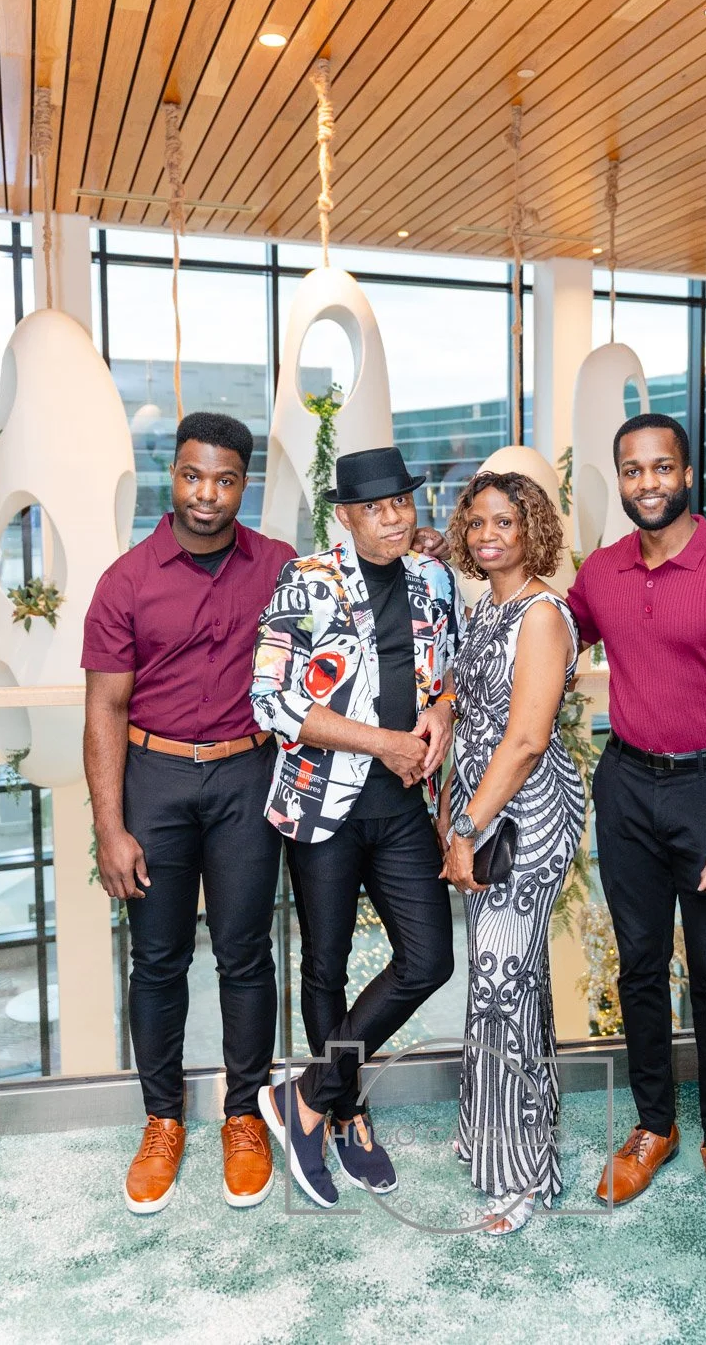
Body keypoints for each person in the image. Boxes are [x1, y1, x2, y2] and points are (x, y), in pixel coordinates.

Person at [566, 413, 706, 1233]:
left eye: (662, 467)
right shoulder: (600, 572)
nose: (647, 483)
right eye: (632, 471)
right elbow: (547, 641)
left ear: (688, 474)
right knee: (636, 966)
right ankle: (654, 1126)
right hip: (626, 782)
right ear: (619, 479)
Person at [82, 411, 297, 1215]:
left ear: (246, 483)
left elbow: (360, 588)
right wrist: (111, 826)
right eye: (192, 475)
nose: (207, 495)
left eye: (226, 479)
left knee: (246, 956)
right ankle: (162, 1120)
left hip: (247, 778)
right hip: (157, 781)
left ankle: (243, 1115)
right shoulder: (125, 580)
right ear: (171, 474)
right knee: (158, 961)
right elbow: (103, 710)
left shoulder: (279, 566)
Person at [251, 446, 464, 1207]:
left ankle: (306, 1096)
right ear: (345, 516)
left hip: (403, 807)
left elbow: (450, 675)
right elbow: (271, 702)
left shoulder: (432, 579)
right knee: (325, 968)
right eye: (376, 508)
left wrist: (438, 715)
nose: (395, 518)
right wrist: (383, 741)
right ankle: (346, 1113)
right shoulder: (305, 583)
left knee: (430, 958)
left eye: (402, 503)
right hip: (323, 806)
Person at [440, 470, 584, 1237]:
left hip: (524, 819)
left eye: (507, 521)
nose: (489, 534)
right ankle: (505, 1139)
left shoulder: (541, 615)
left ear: (534, 532)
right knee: (508, 983)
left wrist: (466, 826)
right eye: (478, 522)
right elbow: (466, 708)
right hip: (479, 810)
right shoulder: (483, 608)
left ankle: (521, 1175)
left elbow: (526, 739)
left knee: (500, 984)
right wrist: (450, 813)